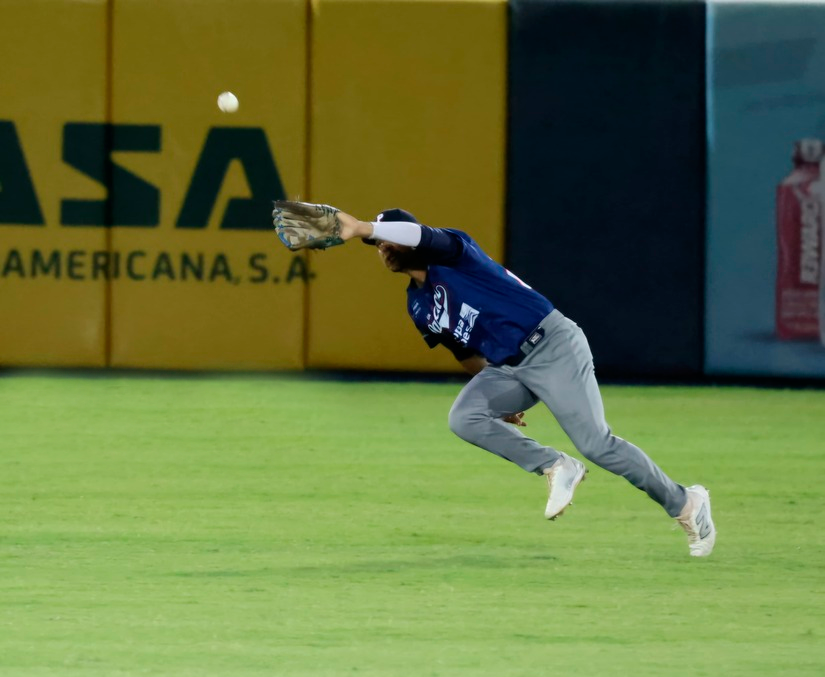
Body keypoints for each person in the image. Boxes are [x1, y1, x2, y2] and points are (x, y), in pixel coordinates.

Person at [334, 206, 717, 557]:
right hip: (506, 368)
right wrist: (504, 400)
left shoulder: (454, 252)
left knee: (597, 444)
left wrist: (360, 228)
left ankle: (686, 503)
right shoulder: (417, 303)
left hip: (551, 345)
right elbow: (463, 352)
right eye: (377, 243)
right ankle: (555, 465)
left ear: (408, 236)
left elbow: (417, 236)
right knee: (464, 417)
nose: (382, 247)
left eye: (386, 238)